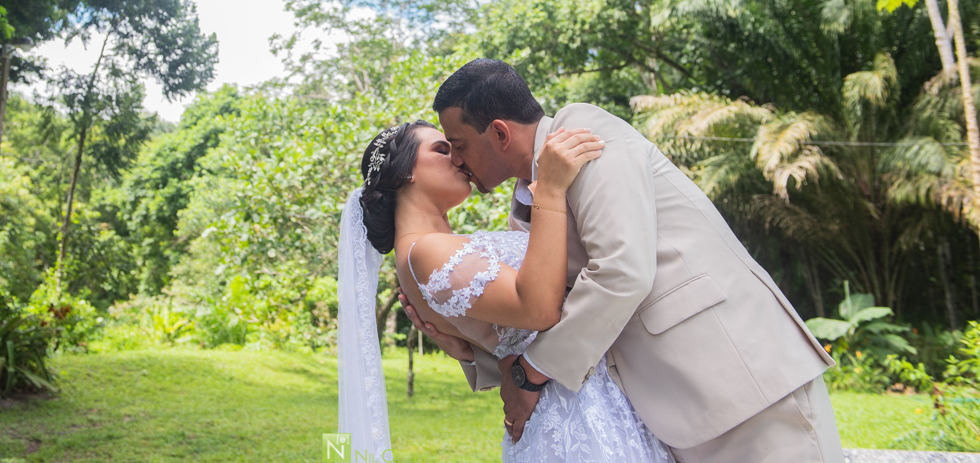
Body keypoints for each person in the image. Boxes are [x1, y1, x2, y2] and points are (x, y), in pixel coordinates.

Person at [399, 59, 843, 463]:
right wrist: (471, 350)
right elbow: (552, 313)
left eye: (458, 145)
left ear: (499, 133)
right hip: (669, 405)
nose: (457, 159)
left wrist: (531, 373)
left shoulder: (582, 132)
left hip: (741, 379)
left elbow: (622, 270)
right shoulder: (529, 198)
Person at [338, 119, 674, 463]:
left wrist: (471, 354)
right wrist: (550, 191)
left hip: (581, 394)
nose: (458, 158)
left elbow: (506, 336)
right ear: (402, 173)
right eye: (442, 149)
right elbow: (539, 310)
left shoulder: (432, 249)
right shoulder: (425, 251)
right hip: (575, 411)